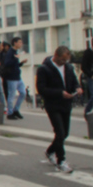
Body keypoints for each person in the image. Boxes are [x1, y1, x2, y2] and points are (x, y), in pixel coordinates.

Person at [36, 46, 82, 174]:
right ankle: (61, 160)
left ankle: (50, 151)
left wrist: (77, 88)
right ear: (55, 56)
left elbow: (73, 81)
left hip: (66, 104)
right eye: (62, 60)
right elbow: (41, 89)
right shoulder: (44, 69)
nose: (64, 62)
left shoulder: (68, 67)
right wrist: (60, 93)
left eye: (66, 60)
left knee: (64, 134)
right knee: (60, 132)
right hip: (53, 105)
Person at [3, 37, 28, 120]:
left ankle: (16, 110)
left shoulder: (15, 52)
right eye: (20, 42)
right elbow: (7, 63)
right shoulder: (10, 52)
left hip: (17, 77)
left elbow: (15, 65)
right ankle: (10, 113)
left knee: (23, 93)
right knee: (11, 95)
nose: (21, 44)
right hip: (11, 78)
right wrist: (16, 58)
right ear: (15, 43)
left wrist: (21, 63)